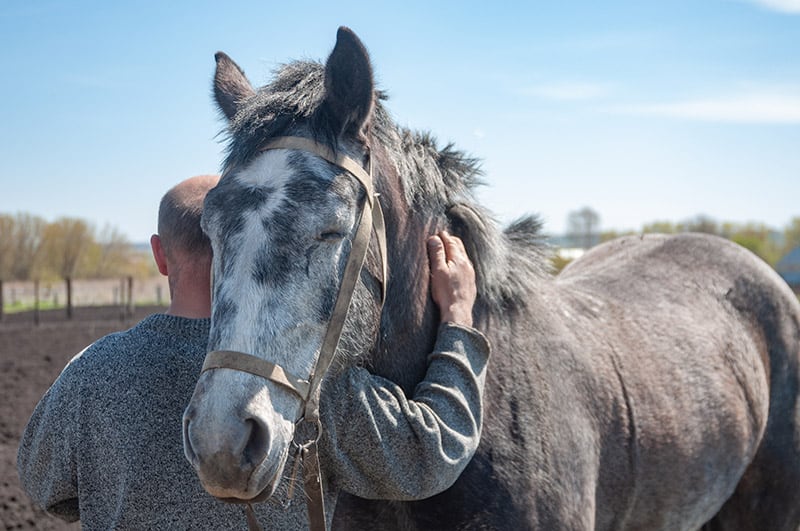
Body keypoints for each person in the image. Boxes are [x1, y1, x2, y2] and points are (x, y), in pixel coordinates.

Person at [17, 174, 490, 529]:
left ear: (160, 256)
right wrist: (458, 318)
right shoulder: (308, 385)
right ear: (244, 244)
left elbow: (45, 489)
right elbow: (434, 450)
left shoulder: (90, 373)